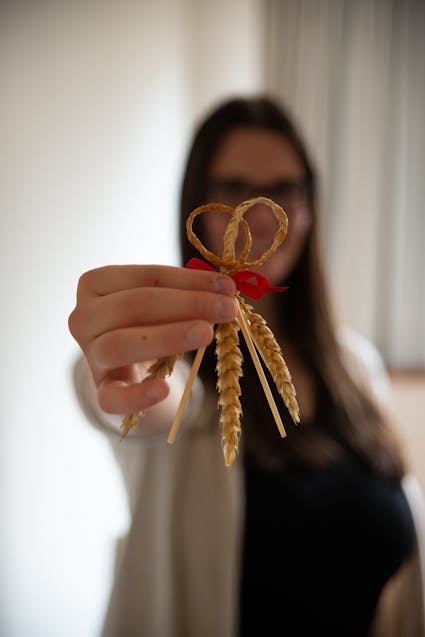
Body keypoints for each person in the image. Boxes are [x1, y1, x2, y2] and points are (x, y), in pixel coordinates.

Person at [68, 97, 425, 637]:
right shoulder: (186, 370)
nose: (257, 214)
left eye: (283, 189)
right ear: (199, 202)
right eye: (234, 188)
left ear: (308, 205)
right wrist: (117, 367)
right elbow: (149, 399)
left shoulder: (355, 367)